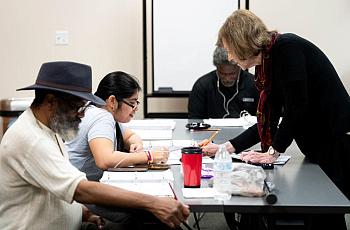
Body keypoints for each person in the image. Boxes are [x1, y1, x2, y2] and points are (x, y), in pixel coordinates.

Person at [201, 9, 350, 229]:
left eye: (230, 50)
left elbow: (297, 107)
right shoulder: (268, 63)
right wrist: (226, 148)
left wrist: (273, 152)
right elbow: (267, 118)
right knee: (320, 215)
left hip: (338, 143)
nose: (230, 57)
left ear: (241, 43)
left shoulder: (287, 48)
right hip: (320, 144)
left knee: (326, 212)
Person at [0, 61, 190, 230]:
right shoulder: (32, 140)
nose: (82, 115)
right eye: (77, 107)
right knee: (150, 218)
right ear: (51, 101)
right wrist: (153, 202)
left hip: (81, 219)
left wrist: (84, 213)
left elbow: (57, 189)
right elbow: (82, 189)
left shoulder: (47, 128)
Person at [66, 71, 168, 182]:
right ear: (112, 101)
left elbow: (129, 136)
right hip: (78, 190)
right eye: (132, 103)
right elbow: (105, 160)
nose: (136, 108)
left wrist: (136, 144)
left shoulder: (99, 110)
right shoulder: (101, 117)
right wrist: (148, 156)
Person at [188, 46, 258, 119]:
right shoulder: (202, 86)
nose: (227, 79)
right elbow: (195, 120)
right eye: (222, 74)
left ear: (239, 67)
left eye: (232, 74)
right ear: (217, 68)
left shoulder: (254, 84)